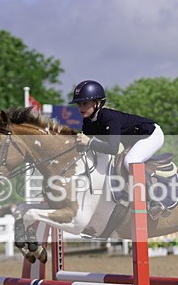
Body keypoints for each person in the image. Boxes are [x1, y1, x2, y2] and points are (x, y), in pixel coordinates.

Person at [70, 79, 166, 216]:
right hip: (133, 139)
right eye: (79, 104)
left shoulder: (108, 117)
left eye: (85, 103)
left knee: (130, 161)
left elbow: (112, 149)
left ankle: (154, 200)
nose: (81, 108)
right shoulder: (88, 122)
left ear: (98, 103)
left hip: (150, 135)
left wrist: (89, 142)